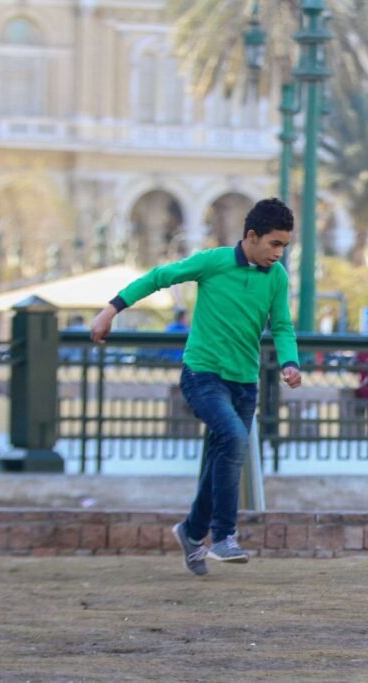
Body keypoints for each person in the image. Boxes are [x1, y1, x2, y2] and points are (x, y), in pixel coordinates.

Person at [90, 198, 302, 576]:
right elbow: (159, 276)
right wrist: (111, 309)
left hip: (244, 384)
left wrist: (289, 362)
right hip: (202, 375)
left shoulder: (277, 277)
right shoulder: (213, 262)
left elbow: (282, 326)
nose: (279, 253)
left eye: (284, 245)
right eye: (274, 244)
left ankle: (190, 532)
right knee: (235, 439)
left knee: (219, 459)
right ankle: (223, 535)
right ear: (251, 237)